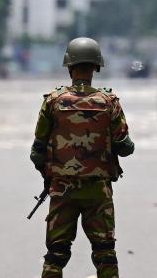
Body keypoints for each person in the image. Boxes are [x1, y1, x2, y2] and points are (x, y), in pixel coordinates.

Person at [30, 37, 135, 278]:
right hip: (98, 192)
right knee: (105, 253)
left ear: (69, 67)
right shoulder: (109, 102)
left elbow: (37, 152)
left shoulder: (53, 101)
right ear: (96, 67)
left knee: (56, 254)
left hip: (61, 190)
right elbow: (125, 147)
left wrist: (50, 175)